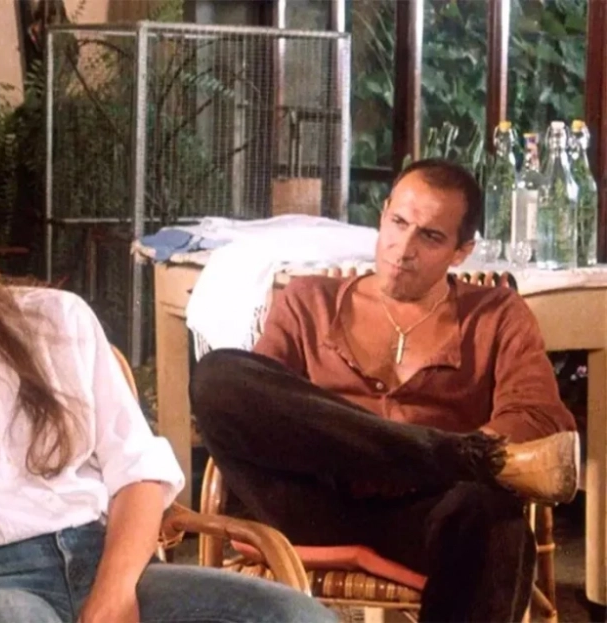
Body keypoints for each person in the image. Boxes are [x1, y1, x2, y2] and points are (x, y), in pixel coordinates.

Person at [0, 189, 334, 623]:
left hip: (106, 557)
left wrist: (113, 595)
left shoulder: (57, 320)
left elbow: (137, 474)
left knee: (295, 617)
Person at [191, 159, 579, 622]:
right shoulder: (309, 300)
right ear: (383, 216)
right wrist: (430, 453)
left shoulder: (496, 314)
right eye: (398, 222)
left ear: (461, 251)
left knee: (496, 518)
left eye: (430, 236)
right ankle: (442, 452)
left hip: (427, 511)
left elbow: (539, 417)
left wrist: (422, 470)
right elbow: (260, 407)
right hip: (310, 502)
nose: (404, 248)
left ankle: (444, 458)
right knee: (217, 377)